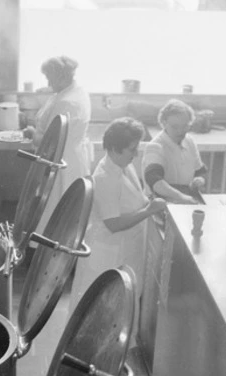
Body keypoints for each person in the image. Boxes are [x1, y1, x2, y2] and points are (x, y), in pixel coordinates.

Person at [68, 117, 167, 327]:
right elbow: (113, 223)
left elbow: (134, 200)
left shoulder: (123, 165)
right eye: (132, 149)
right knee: (102, 311)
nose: (136, 154)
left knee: (122, 307)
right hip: (109, 254)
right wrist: (149, 210)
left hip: (127, 250)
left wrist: (147, 203)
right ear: (114, 149)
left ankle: (119, 352)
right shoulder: (104, 177)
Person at [27, 56, 93, 230]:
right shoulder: (73, 91)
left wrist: (33, 134)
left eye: (50, 78)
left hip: (61, 162)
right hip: (69, 158)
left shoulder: (67, 102)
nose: (48, 82)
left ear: (62, 77)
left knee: (54, 213)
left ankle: (44, 253)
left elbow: (52, 140)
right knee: (62, 215)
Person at [141, 99, 208, 204]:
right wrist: (182, 197)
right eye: (175, 127)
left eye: (185, 126)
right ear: (164, 123)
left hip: (185, 198)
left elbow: (200, 171)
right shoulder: (155, 147)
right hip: (158, 203)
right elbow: (156, 182)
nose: (180, 131)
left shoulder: (189, 141)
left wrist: (200, 180)